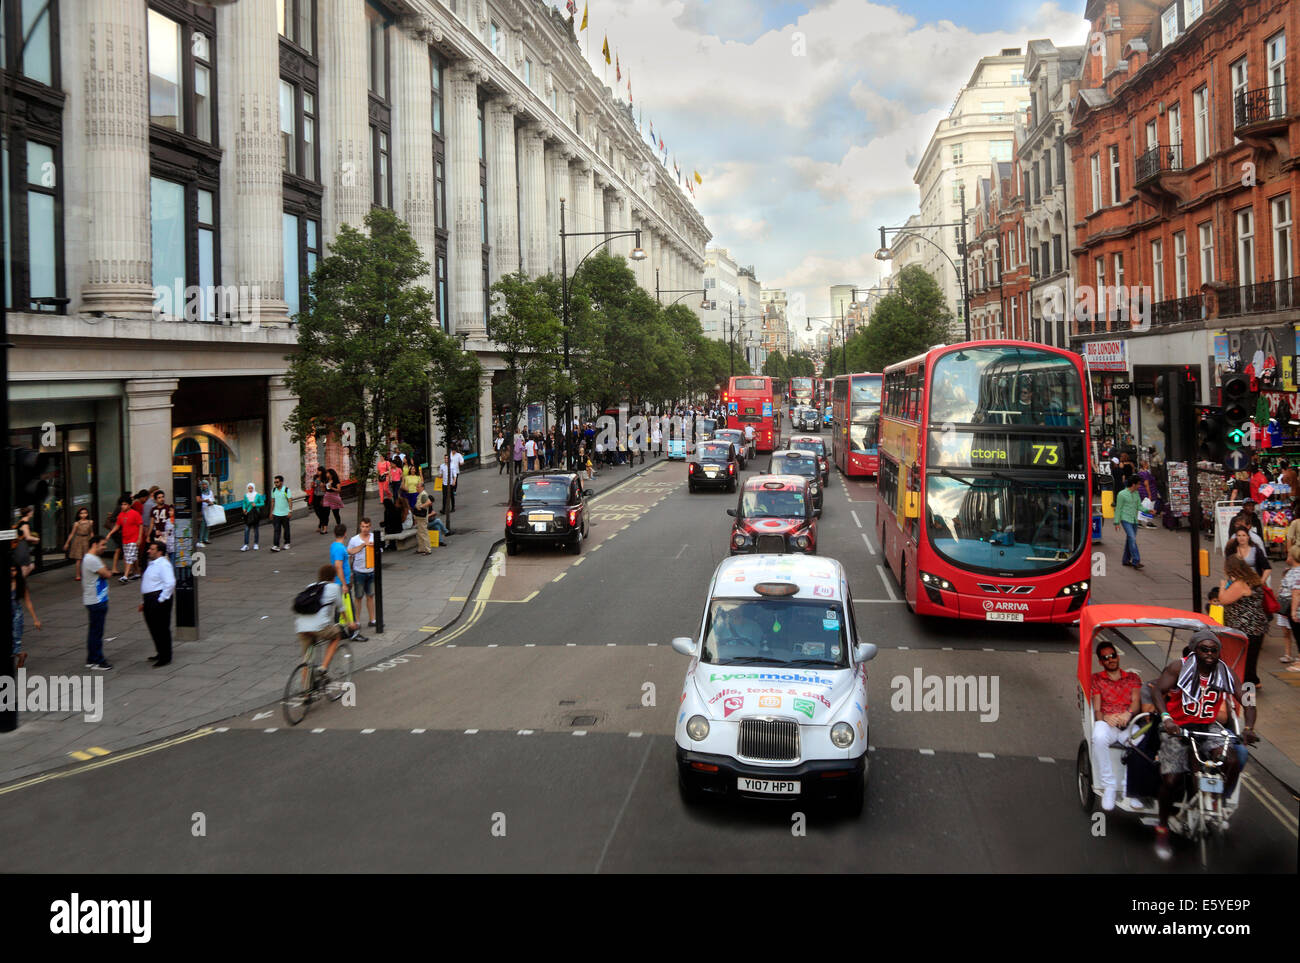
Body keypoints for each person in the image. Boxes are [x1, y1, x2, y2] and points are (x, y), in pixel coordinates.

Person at [1150, 628, 1257, 860]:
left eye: (1214, 649)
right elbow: (1158, 690)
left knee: (1232, 759)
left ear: (1219, 652)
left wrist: (1248, 728)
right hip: (1177, 727)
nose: (1209, 653)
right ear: (1195, 650)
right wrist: (1166, 719)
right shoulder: (1178, 667)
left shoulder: (1225, 672)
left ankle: (1215, 804)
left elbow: (1248, 700)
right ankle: (1162, 828)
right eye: (1204, 649)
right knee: (1172, 779)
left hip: (1207, 727)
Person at [1090, 641, 1143, 811]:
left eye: (1112, 655)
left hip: (1128, 723)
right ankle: (1109, 786)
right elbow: (1097, 709)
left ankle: (1130, 788)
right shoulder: (1097, 679)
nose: (1110, 660)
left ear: (1117, 656)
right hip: (1108, 723)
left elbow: (1136, 702)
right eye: (1105, 658)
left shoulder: (1133, 678)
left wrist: (1128, 713)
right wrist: (1106, 717)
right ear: (1101, 662)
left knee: (1142, 740)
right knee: (1098, 737)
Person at [296, 564, 362, 673]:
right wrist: (350, 623)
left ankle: (306, 688)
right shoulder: (334, 587)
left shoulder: (311, 586)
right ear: (334, 577)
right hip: (320, 627)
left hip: (301, 626)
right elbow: (341, 609)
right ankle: (323, 667)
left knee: (307, 660)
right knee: (336, 636)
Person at [1220, 554, 1267, 687]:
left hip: (1244, 627)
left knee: (1244, 658)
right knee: (1252, 657)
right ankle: (1254, 681)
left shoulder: (1240, 584)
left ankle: (1247, 691)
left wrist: (1223, 586)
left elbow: (1223, 599)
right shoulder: (1254, 580)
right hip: (1257, 625)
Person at [139, 539, 176, 667]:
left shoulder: (163, 564)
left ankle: (165, 656)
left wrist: (161, 599)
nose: (149, 551)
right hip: (150, 599)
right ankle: (160, 652)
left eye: (152, 549)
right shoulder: (153, 563)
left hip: (159, 600)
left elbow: (170, 583)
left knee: (161, 628)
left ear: (159, 552)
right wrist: (144, 601)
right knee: (154, 628)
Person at [81, 534, 113, 670]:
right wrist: (105, 568)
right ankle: (98, 660)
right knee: (97, 632)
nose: (105, 548)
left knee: (94, 631)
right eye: (103, 545)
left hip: (94, 599)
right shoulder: (92, 560)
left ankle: (91, 659)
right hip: (96, 600)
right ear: (94, 545)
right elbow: (107, 574)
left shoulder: (91, 558)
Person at [347, 518, 377, 628]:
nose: (365, 529)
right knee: (358, 597)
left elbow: (380, 552)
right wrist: (350, 572)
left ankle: (372, 619)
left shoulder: (374, 537)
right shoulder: (354, 540)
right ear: (360, 527)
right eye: (363, 526)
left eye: (367, 526)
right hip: (358, 572)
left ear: (370, 527)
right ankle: (357, 621)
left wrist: (375, 546)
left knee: (370, 596)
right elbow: (349, 554)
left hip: (371, 571)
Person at [106, 497, 144, 582]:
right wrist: (110, 533)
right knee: (132, 557)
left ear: (129, 505)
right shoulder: (121, 515)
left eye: (125, 504)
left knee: (129, 557)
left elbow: (140, 525)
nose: (123, 506)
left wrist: (139, 538)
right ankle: (137, 572)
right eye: (122, 504)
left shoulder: (135, 514)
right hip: (125, 539)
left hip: (133, 539)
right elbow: (117, 525)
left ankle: (125, 576)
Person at [10, 563, 40, 668]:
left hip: (16, 615)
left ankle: (20, 655)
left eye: (14, 570)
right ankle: (21, 655)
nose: (12, 573)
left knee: (15, 638)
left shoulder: (20, 584)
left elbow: (28, 602)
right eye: (10, 570)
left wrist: (35, 619)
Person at [1114, 475, 1144, 570]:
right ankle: (1136, 560)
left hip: (1134, 519)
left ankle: (1125, 560)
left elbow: (1139, 506)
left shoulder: (1136, 494)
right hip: (1125, 519)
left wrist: (1147, 510)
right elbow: (1118, 509)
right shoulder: (1121, 494)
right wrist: (1116, 522)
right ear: (1133, 484)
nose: (1139, 486)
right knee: (1132, 538)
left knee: (1130, 540)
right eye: (1138, 484)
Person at [1278, 546, 1300, 668]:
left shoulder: (1297, 572)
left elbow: (1296, 592)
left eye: (1289, 555)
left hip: (1295, 608)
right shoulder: (1292, 570)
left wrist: (1293, 612)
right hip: (1290, 607)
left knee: (1298, 634)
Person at [63, 507, 95, 580]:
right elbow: (72, 534)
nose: (83, 515)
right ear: (78, 515)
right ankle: (78, 575)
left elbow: (91, 532)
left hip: (87, 540)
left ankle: (88, 573)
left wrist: (93, 541)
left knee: (87, 558)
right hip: (78, 540)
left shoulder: (90, 522)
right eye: (81, 513)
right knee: (78, 559)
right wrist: (67, 543)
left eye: (85, 513)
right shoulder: (77, 523)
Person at [13, 505, 39, 577]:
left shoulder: (20, 521)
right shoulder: (25, 524)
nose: (32, 513)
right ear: (29, 513)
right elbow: (28, 537)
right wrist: (36, 539)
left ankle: (18, 583)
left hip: (21, 546)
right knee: (25, 567)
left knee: (30, 566)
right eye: (32, 512)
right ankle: (16, 584)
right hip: (21, 547)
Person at [269, 475, 292, 552]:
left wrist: (290, 511)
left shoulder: (286, 490)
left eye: (277, 482)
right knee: (276, 530)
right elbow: (272, 501)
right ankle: (276, 545)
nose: (276, 483)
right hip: (276, 514)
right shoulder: (273, 490)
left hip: (285, 514)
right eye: (275, 482)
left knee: (286, 530)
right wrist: (271, 512)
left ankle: (287, 543)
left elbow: (290, 501)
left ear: (281, 482)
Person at [241, 482, 264, 551]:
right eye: (249, 488)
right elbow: (244, 503)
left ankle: (256, 544)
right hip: (248, 514)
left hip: (255, 514)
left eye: (251, 488)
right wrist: (244, 509)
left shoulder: (258, 495)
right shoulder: (246, 495)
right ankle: (246, 544)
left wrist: (256, 505)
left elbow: (262, 503)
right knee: (246, 529)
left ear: (253, 488)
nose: (250, 489)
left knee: (256, 529)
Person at [439, 452, 459, 518]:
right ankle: (443, 509)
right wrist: (439, 476)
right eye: (445, 458)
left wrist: (454, 481)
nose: (446, 459)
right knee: (444, 496)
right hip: (444, 483)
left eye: (447, 458)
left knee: (451, 495)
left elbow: (455, 475)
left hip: (450, 483)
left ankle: (453, 507)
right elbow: (440, 474)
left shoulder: (452, 466)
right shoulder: (442, 466)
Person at [413, 489, 433, 554]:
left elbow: (429, 502)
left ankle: (428, 549)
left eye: (417, 487)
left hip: (422, 518)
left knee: (424, 533)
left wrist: (421, 506)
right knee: (420, 534)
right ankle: (421, 549)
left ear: (421, 487)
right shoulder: (421, 494)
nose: (416, 488)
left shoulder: (423, 494)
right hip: (419, 518)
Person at [196, 479, 215, 547]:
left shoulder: (210, 492)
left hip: (209, 509)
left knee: (208, 524)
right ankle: (200, 539)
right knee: (203, 525)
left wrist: (211, 502)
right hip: (203, 510)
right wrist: (205, 501)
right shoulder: (200, 492)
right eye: (203, 484)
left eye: (205, 484)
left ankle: (206, 538)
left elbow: (213, 500)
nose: (204, 486)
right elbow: (199, 500)